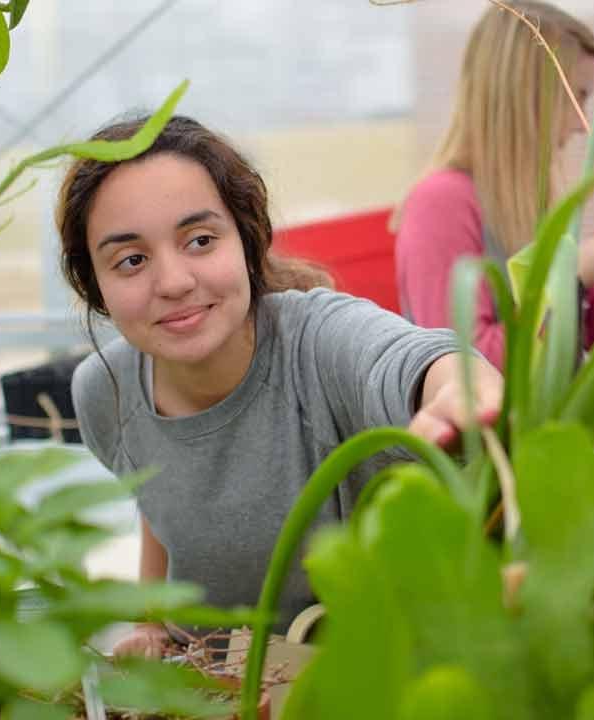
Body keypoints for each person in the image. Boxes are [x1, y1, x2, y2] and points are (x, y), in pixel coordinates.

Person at [57, 115, 503, 657]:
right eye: (131, 260)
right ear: (96, 286)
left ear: (246, 242)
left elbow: (411, 358)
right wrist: (152, 620)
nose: (173, 282)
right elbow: (157, 497)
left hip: (360, 673)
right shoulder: (104, 389)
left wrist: (464, 384)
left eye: (200, 240)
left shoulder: (317, 343)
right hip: (208, 681)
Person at [395, 0, 594, 371]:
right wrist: (570, 279)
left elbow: (585, 338)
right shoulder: (441, 204)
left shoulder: (531, 199)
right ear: (524, 94)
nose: (582, 125)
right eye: (577, 97)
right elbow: (463, 372)